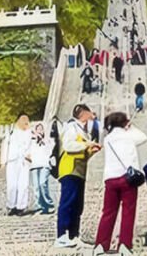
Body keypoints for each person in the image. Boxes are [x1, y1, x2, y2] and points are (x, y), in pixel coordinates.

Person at [95, 111, 147, 255]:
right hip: (127, 179)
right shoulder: (129, 135)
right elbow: (143, 137)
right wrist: (131, 127)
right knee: (128, 212)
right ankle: (124, 246)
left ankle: (100, 245)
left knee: (108, 212)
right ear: (125, 122)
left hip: (110, 178)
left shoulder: (108, 139)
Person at [54, 104, 102, 248]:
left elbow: (83, 153)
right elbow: (69, 146)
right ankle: (62, 235)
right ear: (84, 113)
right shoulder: (71, 127)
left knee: (77, 204)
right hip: (70, 169)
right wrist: (87, 144)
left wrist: (91, 150)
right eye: (89, 112)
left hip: (79, 170)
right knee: (68, 202)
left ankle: (73, 235)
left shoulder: (83, 130)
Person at [5, 114, 32, 216]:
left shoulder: (30, 132)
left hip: (24, 160)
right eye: (23, 119)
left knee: (23, 184)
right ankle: (11, 205)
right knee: (12, 184)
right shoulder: (12, 131)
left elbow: (32, 146)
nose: (25, 121)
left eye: (27, 119)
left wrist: (30, 155)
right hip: (13, 160)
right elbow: (5, 145)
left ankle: (21, 207)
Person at [29, 122, 55, 214]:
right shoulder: (31, 141)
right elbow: (27, 152)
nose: (40, 131)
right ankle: (39, 206)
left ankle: (49, 204)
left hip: (44, 165)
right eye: (38, 129)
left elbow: (50, 151)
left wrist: (43, 140)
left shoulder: (48, 141)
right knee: (36, 187)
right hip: (34, 165)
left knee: (42, 184)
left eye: (41, 129)